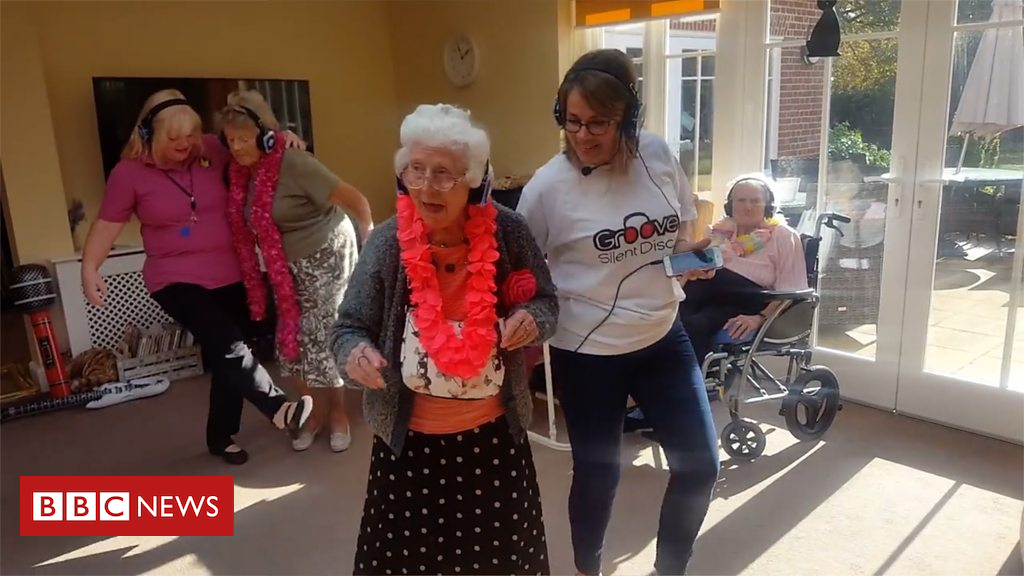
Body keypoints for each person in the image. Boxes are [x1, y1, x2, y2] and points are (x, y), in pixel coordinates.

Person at [517, 49, 719, 576]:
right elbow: (517, 273)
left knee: (701, 465)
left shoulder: (655, 155)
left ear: (628, 119)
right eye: (573, 121)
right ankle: (589, 569)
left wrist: (686, 260)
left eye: (599, 123)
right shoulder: (546, 189)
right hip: (588, 352)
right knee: (598, 474)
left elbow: (673, 230)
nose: (583, 136)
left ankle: (669, 569)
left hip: (661, 335)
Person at [331, 103, 557, 576]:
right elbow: (348, 326)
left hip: (493, 441)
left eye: (443, 174)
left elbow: (546, 303)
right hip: (408, 447)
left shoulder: (509, 231)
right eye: (415, 170)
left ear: (473, 179)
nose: (426, 186)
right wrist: (355, 354)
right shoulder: (388, 243)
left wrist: (531, 319)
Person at [80, 89, 313, 465]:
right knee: (228, 341)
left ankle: (221, 436)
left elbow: (252, 145)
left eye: (190, 135)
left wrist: (281, 138)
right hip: (174, 277)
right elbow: (108, 224)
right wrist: (89, 268)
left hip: (231, 271)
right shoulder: (129, 173)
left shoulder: (210, 148)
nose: (186, 145)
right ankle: (278, 408)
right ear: (147, 136)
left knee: (226, 356)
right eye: (174, 138)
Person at [219, 90, 373, 453]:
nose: (237, 147)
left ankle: (337, 414)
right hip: (284, 261)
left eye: (244, 138)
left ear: (265, 134)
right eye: (230, 140)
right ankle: (310, 412)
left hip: (327, 251)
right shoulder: (241, 174)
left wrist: (370, 242)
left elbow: (356, 201)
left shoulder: (295, 164)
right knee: (291, 335)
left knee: (321, 333)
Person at [680, 173, 809, 364]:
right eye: (741, 200)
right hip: (715, 300)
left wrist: (759, 318)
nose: (747, 207)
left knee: (704, 283)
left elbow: (792, 291)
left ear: (768, 206)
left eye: (755, 201)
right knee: (686, 324)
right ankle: (691, 383)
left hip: (753, 300)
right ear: (730, 206)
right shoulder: (717, 233)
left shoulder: (783, 235)